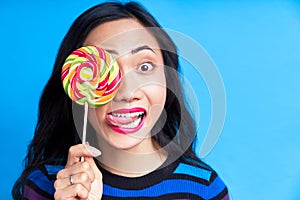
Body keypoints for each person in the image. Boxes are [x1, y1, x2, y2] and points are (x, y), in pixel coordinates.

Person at [12, 1, 229, 199]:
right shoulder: (46, 184)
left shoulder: (205, 189)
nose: (126, 92)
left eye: (145, 66)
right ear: (78, 82)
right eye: (104, 69)